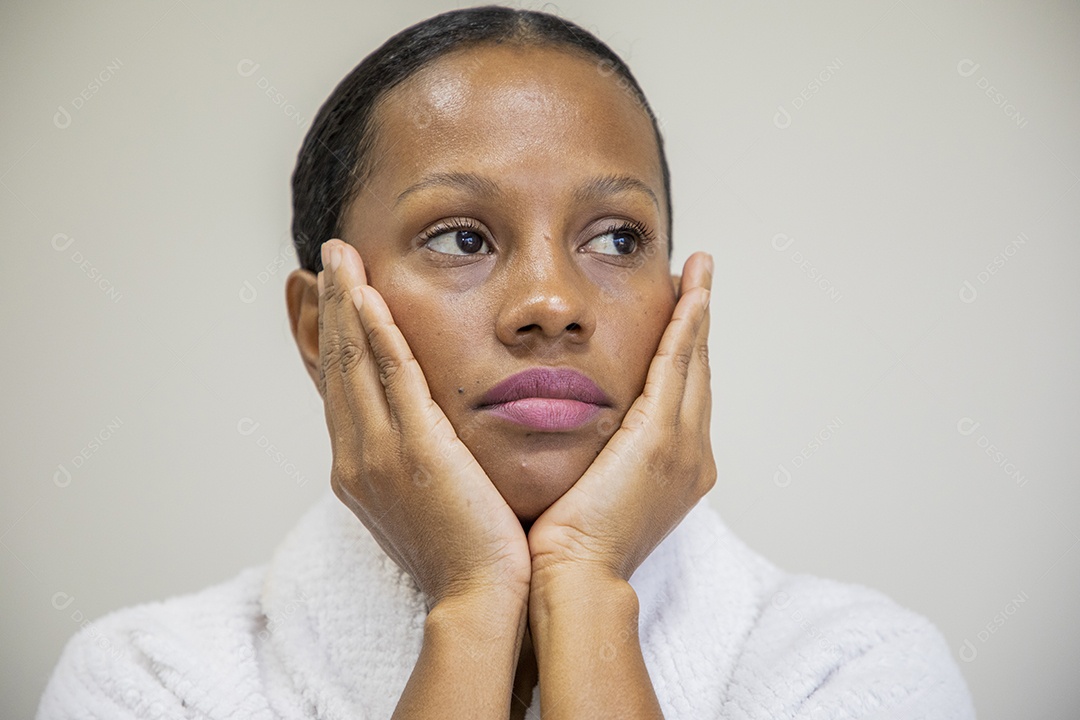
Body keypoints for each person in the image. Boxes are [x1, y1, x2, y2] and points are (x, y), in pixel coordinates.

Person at [37, 6, 975, 719]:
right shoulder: (150, 682)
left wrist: (591, 586)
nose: (553, 307)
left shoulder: (855, 669)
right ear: (323, 326)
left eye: (615, 239)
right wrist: (473, 606)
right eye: (460, 237)